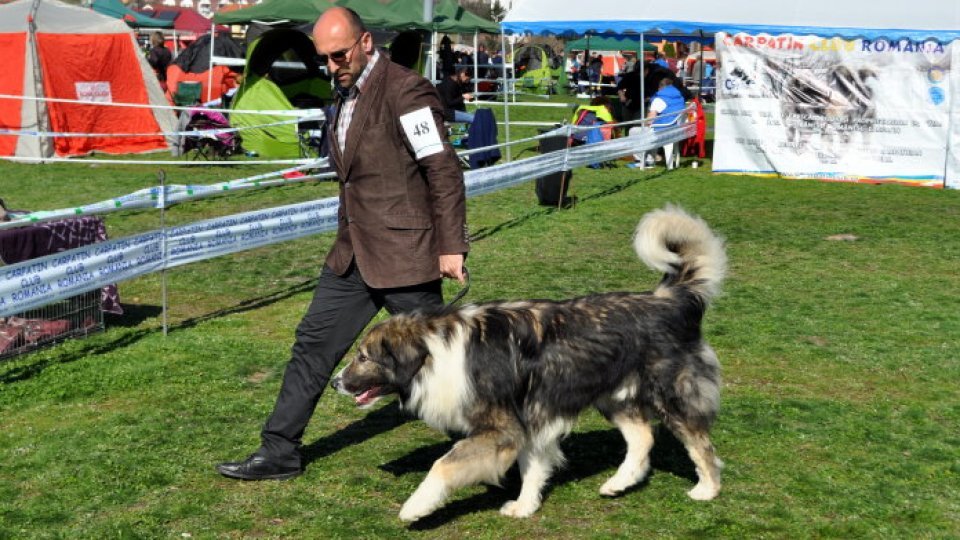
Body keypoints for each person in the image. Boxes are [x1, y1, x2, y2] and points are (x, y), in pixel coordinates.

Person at [216, 6, 469, 481]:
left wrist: (451, 244)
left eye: (339, 55)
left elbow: (442, 169)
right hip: (351, 254)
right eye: (325, 59)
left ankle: (490, 449)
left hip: (405, 256)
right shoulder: (342, 94)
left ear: (366, 42)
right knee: (312, 346)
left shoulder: (407, 90)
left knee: (437, 367)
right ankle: (279, 452)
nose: (333, 66)